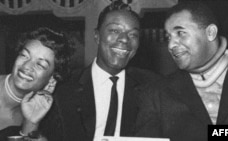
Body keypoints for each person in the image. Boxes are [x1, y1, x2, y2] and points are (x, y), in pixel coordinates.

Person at [54, 0, 163, 141]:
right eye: (114, 30)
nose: (124, 39)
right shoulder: (64, 87)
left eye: (133, 34)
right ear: (97, 36)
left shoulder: (153, 86)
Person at [135, 1, 228, 141]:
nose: (170, 45)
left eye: (180, 33)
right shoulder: (156, 94)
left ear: (211, 33)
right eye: (168, 37)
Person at [0, 27, 74, 141]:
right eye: (24, 56)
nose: (27, 66)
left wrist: (31, 123)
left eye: (40, 65)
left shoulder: (47, 118)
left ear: (51, 81)